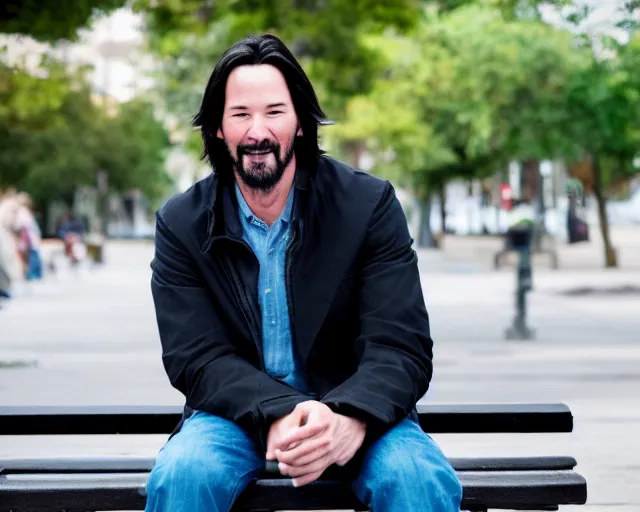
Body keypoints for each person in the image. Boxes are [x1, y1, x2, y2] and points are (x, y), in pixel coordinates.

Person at [146, 33, 462, 512]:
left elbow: (401, 346)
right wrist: (278, 412)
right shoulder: (181, 223)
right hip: (234, 418)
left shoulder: (368, 206)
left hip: (359, 410)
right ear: (216, 128)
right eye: (240, 115)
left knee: (416, 478)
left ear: (299, 124)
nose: (258, 132)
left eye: (274, 112)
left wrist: (350, 417)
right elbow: (196, 357)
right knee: (184, 475)